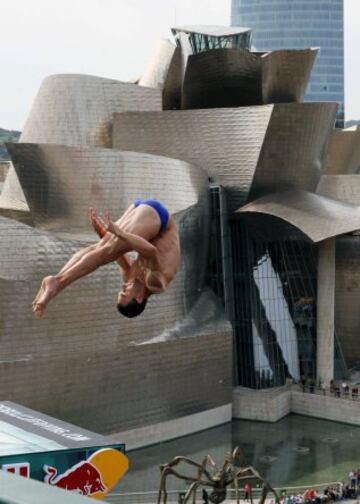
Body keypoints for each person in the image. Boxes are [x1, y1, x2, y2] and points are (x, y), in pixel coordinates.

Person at [32, 199, 181, 318]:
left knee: (101, 247)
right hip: (159, 219)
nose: (122, 287)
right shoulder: (155, 283)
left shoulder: (129, 277)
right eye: (124, 293)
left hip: (143, 211)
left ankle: (57, 279)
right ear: (140, 297)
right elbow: (151, 251)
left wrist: (103, 234)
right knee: (107, 250)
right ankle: (58, 282)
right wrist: (118, 232)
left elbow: (118, 254)